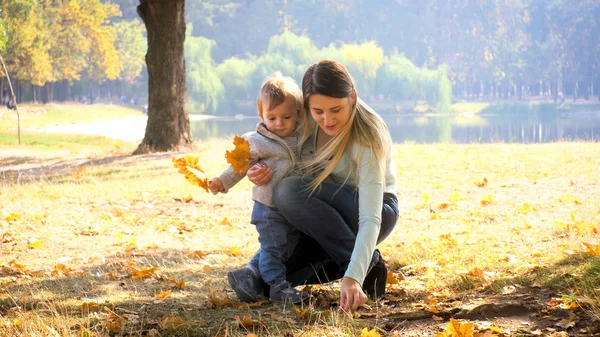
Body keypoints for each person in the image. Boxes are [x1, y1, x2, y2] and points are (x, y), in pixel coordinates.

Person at [229, 60, 399, 312]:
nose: (327, 119)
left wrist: (352, 277)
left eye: (335, 109)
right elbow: (275, 149)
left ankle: (364, 268)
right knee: (268, 282)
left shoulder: (368, 135)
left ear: (352, 96)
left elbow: (370, 218)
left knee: (288, 191)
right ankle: (255, 271)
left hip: (367, 211)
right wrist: (260, 172)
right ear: (306, 106)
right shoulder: (303, 121)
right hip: (318, 215)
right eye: (318, 111)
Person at [209, 72, 309, 303]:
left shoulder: (302, 138)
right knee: (274, 248)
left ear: (297, 114)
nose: (279, 124)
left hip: (293, 210)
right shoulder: (255, 140)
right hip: (269, 207)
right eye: (271, 117)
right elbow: (238, 165)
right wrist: (222, 181)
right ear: (261, 115)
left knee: (286, 246)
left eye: (286, 117)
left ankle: (248, 276)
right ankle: (277, 287)